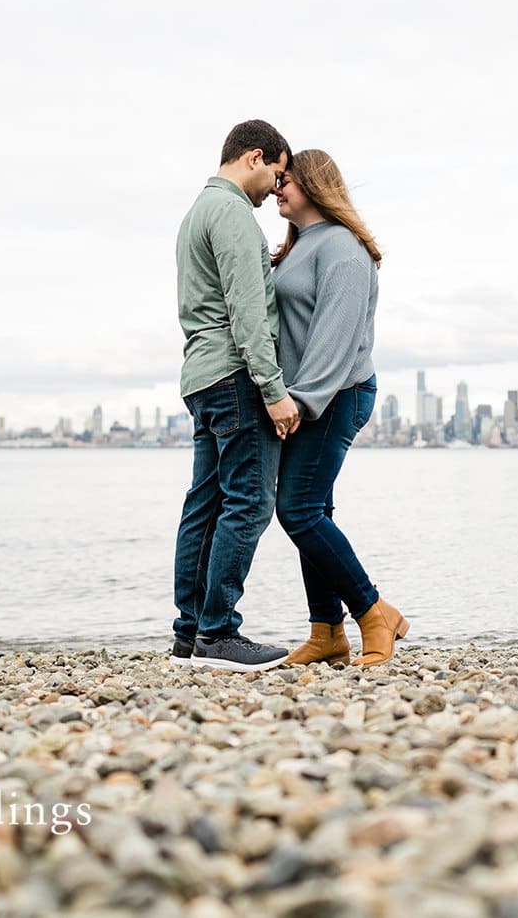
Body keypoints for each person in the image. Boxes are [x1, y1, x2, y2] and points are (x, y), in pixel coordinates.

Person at [171, 119, 303, 672]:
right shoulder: (232, 215)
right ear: (255, 156)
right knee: (249, 501)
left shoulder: (198, 210)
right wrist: (273, 390)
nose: (277, 189)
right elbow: (248, 310)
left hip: (202, 376)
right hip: (234, 376)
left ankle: (189, 633)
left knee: (205, 504)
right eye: (276, 173)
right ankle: (219, 632)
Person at [270, 149, 408, 667]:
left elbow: (335, 337)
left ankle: (374, 612)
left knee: (299, 511)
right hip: (311, 396)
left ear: (314, 184)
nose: (277, 189)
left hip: (335, 394)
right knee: (315, 510)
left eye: (286, 181)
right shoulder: (303, 245)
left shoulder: (343, 250)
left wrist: (299, 404)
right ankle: (326, 631)